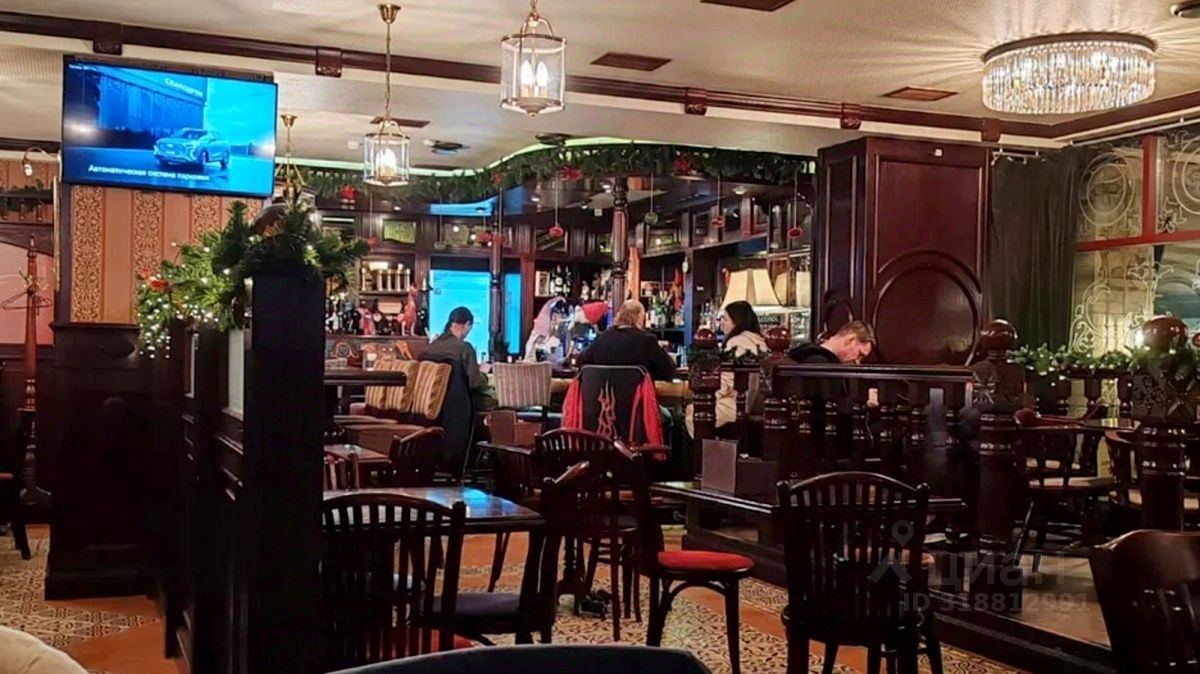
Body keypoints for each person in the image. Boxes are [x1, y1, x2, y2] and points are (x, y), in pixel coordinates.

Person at [685, 301, 767, 437]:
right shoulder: (761, 341)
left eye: (726, 319)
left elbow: (727, 382)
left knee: (695, 413)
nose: (722, 323)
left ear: (737, 321)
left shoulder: (736, 342)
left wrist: (710, 396)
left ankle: (707, 449)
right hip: (758, 405)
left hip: (739, 404)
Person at [577, 300, 676, 381]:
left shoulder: (601, 339)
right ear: (639, 319)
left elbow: (581, 363)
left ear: (619, 316)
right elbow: (668, 372)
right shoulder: (647, 341)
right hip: (638, 399)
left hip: (603, 398)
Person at [424, 306, 496, 410]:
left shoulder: (430, 348)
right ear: (467, 324)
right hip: (459, 406)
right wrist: (483, 374)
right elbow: (475, 383)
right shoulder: (465, 348)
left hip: (432, 405)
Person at [789, 320, 875, 364]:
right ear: (850, 340)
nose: (857, 362)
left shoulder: (804, 356)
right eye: (859, 354)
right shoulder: (819, 364)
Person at [523, 297, 566, 364]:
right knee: (534, 343)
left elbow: (550, 301)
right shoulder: (549, 310)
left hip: (539, 327)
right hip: (544, 329)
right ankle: (532, 358)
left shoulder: (547, 308)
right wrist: (560, 298)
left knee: (531, 342)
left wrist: (560, 298)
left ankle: (527, 358)